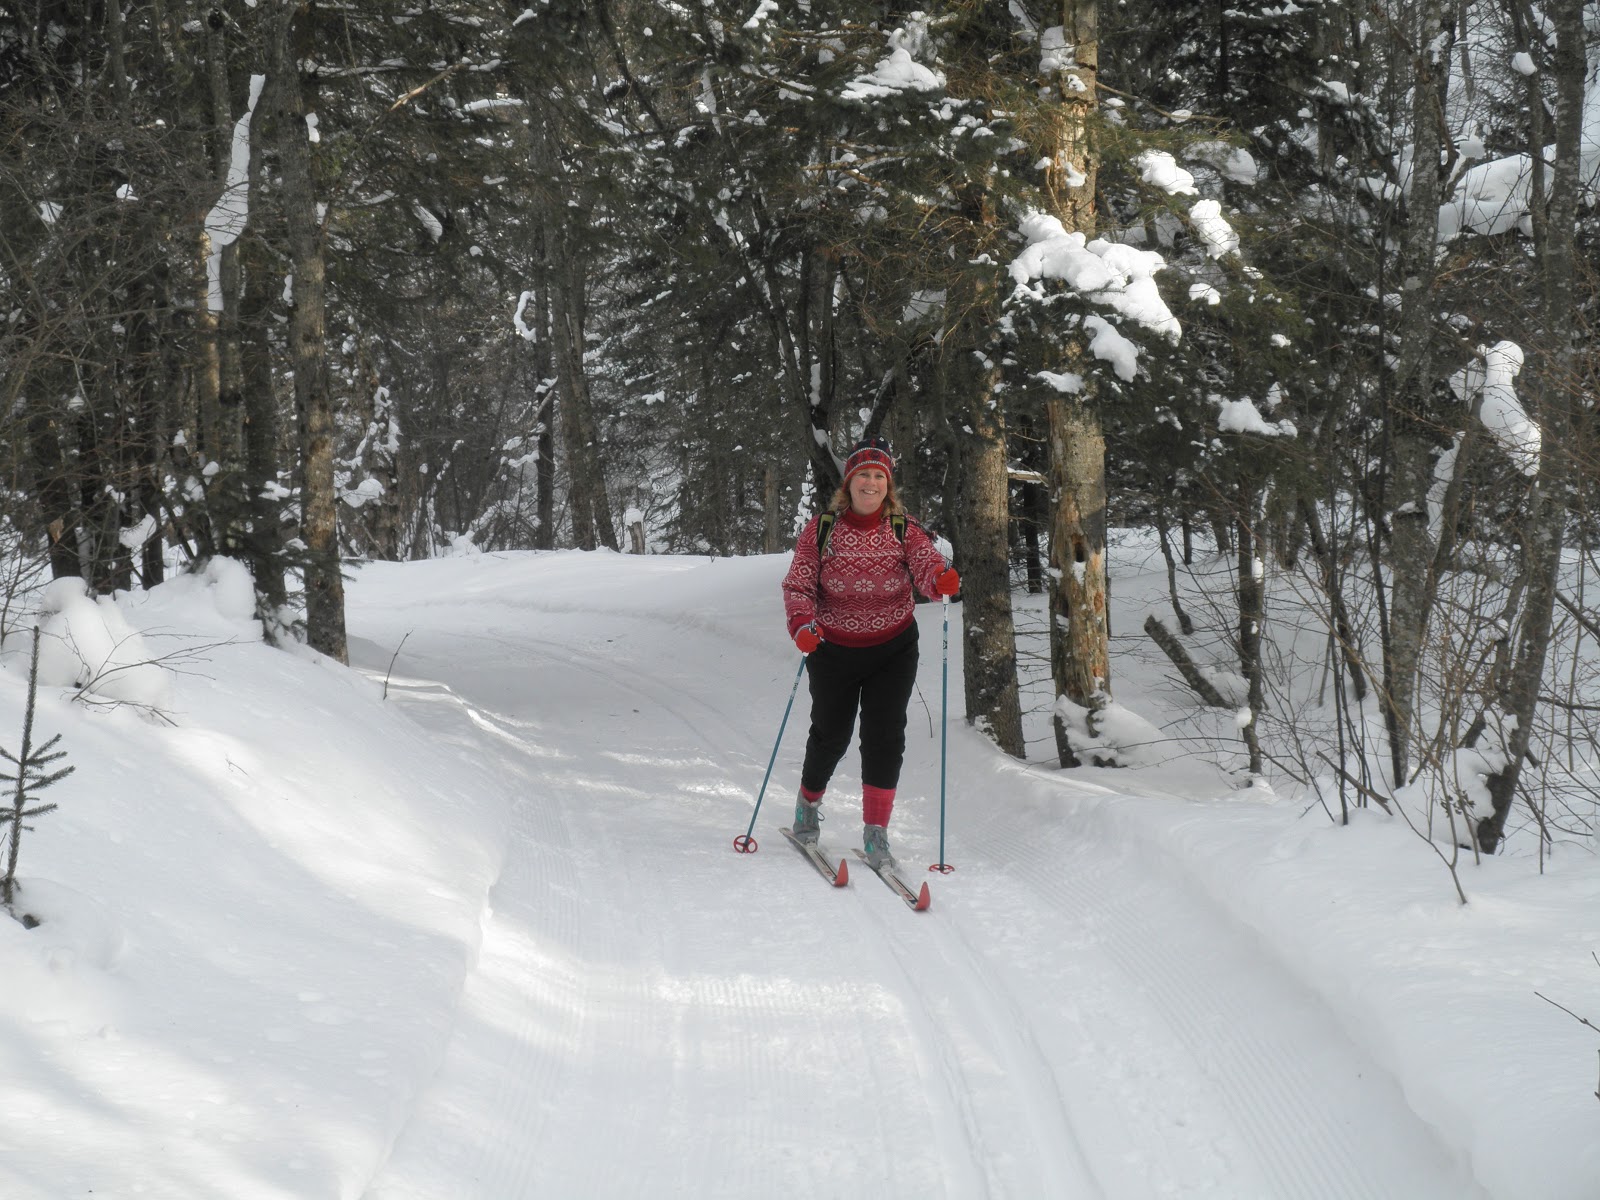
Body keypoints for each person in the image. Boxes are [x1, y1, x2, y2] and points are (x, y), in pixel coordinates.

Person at [781, 436, 959, 869]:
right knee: (831, 734)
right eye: (863, 474)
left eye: (879, 475)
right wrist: (801, 624)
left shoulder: (903, 528)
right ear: (849, 482)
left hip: (892, 649)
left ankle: (876, 832)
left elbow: (925, 564)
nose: (871, 482)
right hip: (832, 649)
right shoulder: (822, 529)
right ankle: (807, 805)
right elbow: (799, 584)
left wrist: (939, 579)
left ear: (888, 484)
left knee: (885, 737)